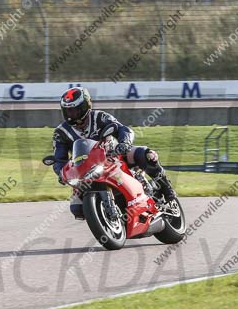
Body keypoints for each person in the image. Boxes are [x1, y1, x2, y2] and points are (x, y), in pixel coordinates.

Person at [52, 87, 177, 219]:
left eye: (75, 110)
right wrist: (61, 173)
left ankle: (167, 191)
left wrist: (124, 143)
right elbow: (59, 160)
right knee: (76, 208)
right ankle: (105, 216)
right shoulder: (61, 132)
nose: (72, 114)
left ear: (85, 106)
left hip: (114, 156)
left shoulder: (99, 117)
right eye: (68, 111)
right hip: (84, 171)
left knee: (147, 155)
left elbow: (123, 129)